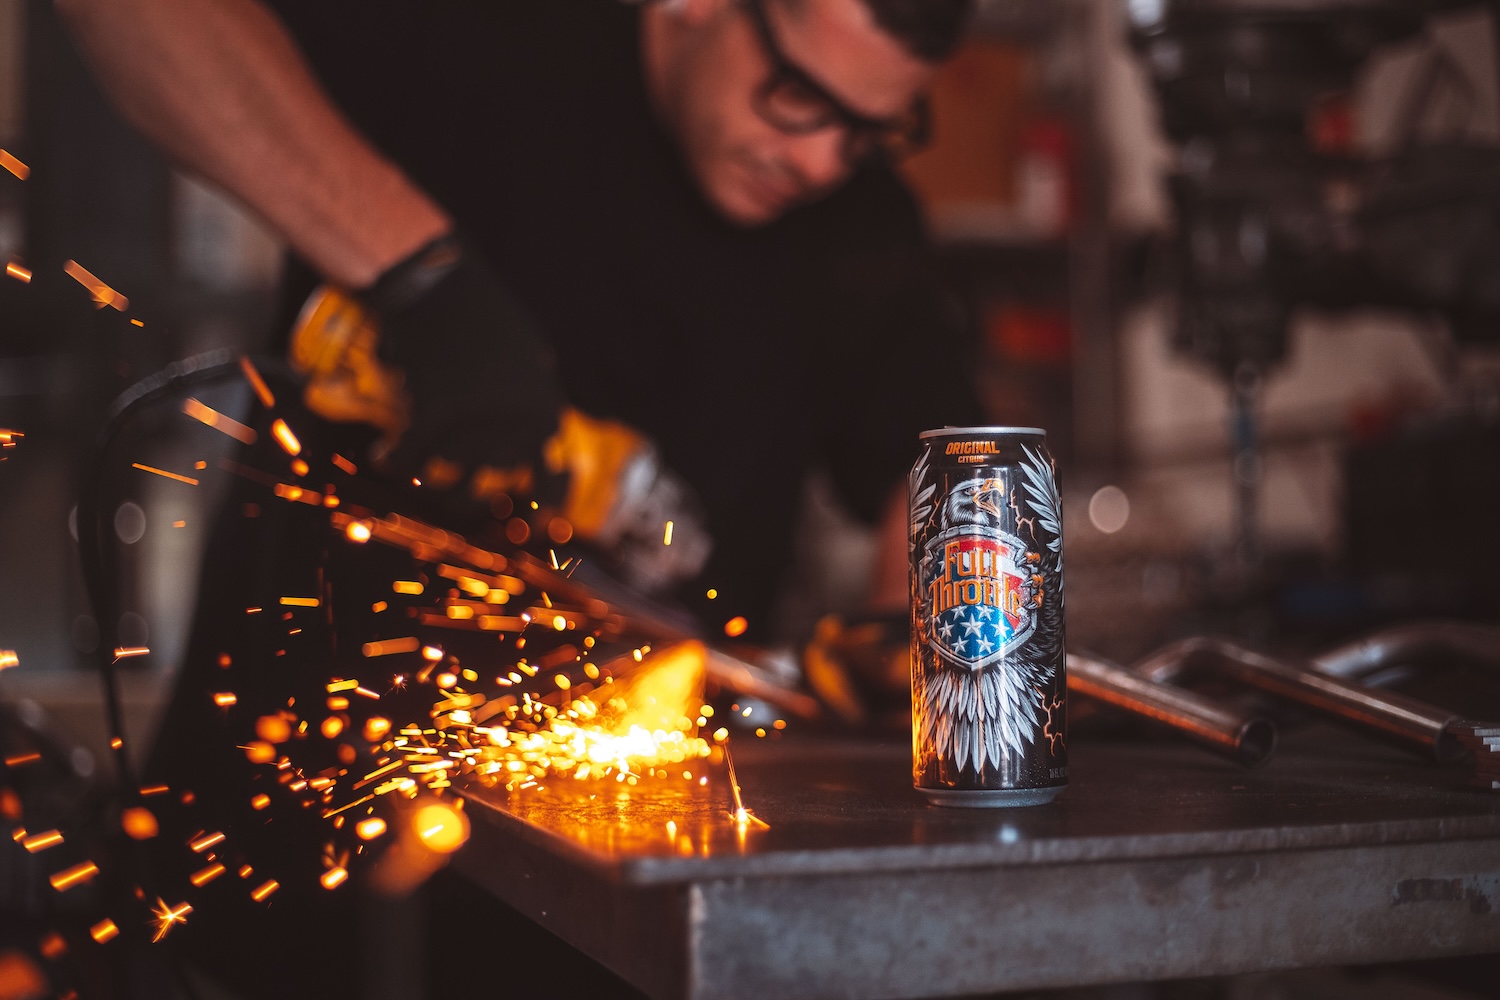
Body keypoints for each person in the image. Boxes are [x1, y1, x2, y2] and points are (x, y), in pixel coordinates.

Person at [58, 0, 981, 993]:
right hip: (290, 836)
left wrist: (913, 628)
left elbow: (947, 462)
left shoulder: (862, 226)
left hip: (625, 889)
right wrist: (417, 273)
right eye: (799, 96)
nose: (822, 165)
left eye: (871, 131)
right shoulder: (483, 38)